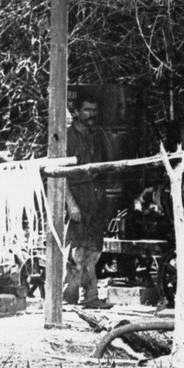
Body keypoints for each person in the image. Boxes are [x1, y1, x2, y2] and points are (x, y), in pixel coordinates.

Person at [62, 90, 116, 305]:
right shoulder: (68, 137)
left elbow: (105, 169)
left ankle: (91, 296)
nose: (91, 114)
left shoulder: (98, 136)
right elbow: (59, 174)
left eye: (94, 110)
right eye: (87, 110)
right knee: (75, 250)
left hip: (95, 199)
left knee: (93, 249)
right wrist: (70, 203)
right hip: (76, 196)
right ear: (76, 112)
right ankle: (69, 297)